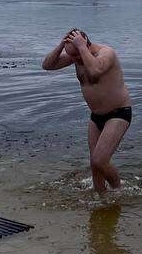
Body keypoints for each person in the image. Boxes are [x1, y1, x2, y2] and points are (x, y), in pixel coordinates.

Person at [42, 29, 132, 193]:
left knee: (100, 161)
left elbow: (96, 70)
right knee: (94, 165)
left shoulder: (106, 53)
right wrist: (62, 44)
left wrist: (81, 48)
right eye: (72, 56)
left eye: (77, 55)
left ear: (85, 44)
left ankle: (119, 191)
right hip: (96, 116)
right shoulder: (77, 56)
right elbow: (47, 65)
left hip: (118, 113)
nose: (75, 60)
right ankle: (101, 197)